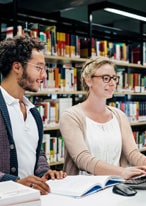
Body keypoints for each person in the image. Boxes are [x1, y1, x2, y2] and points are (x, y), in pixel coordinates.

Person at [59, 56, 146, 180]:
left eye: (114, 78)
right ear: (88, 81)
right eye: (106, 78)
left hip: (117, 186)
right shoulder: (71, 116)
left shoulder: (119, 116)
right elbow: (83, 160)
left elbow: (133, 154)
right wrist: (122, 172)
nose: (112, 83)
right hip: (84, 191)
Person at [0, 34, 66, 195]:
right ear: (17, 67)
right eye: (39, 67)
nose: (44, 76)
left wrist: (45, 172)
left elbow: (35, 151)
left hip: (30, 198)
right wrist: (14, 183)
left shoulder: (33, 111)